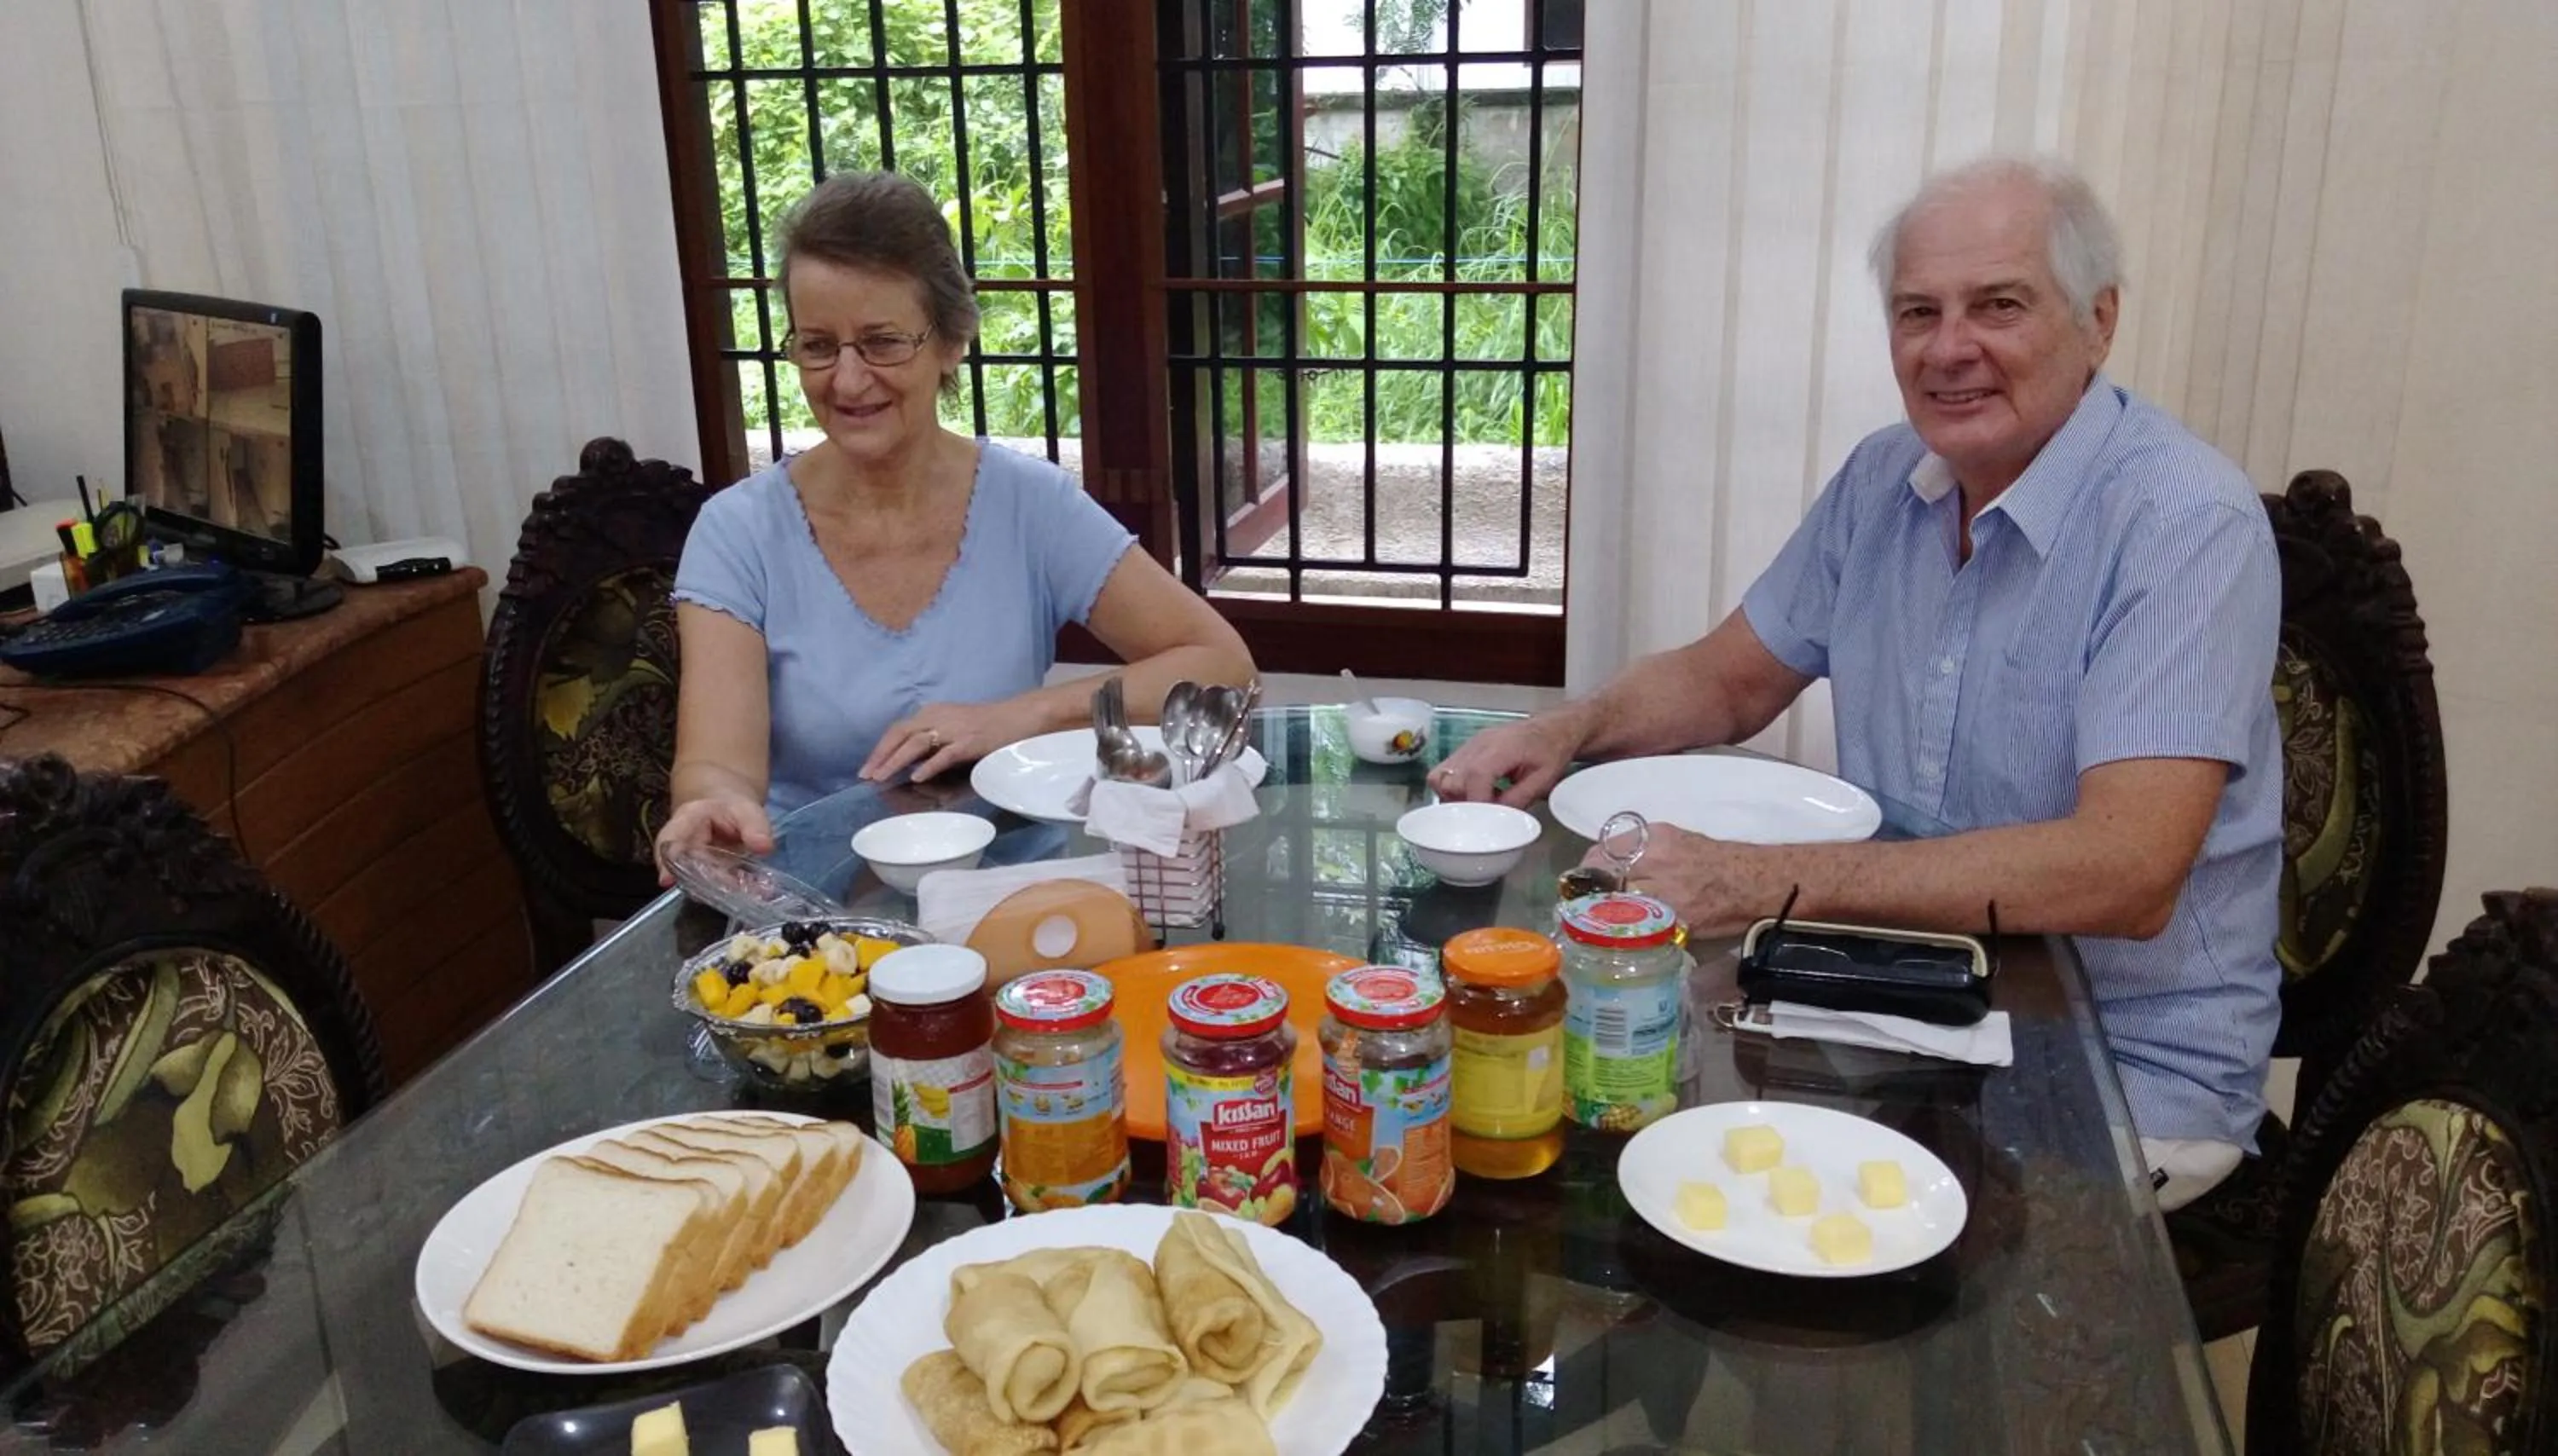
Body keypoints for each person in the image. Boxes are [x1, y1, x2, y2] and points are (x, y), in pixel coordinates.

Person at [1432, 157, 2282, 1210]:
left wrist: (1759, 880)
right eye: (1918, 312)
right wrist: (1573, 726)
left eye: (1999, 306)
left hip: (2117, 1069)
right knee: (1593, 1129)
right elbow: (1727, 679)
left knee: (1766, 1233)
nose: (1949, 348)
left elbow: (2128, 871)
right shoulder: (1885, 478)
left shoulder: (2185, 522)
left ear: (2098, 321)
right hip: (1895, 1005)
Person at [657, 170, 1253, 877]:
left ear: (952, 340)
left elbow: (1223, 668)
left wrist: (1018, 717)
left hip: (1013, 900)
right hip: (816, 911)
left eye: (882, 342)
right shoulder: (737, 533)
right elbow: (717, 766)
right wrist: (713, 805)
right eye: (818, 346)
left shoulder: (1029, 504)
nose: (848, 380)